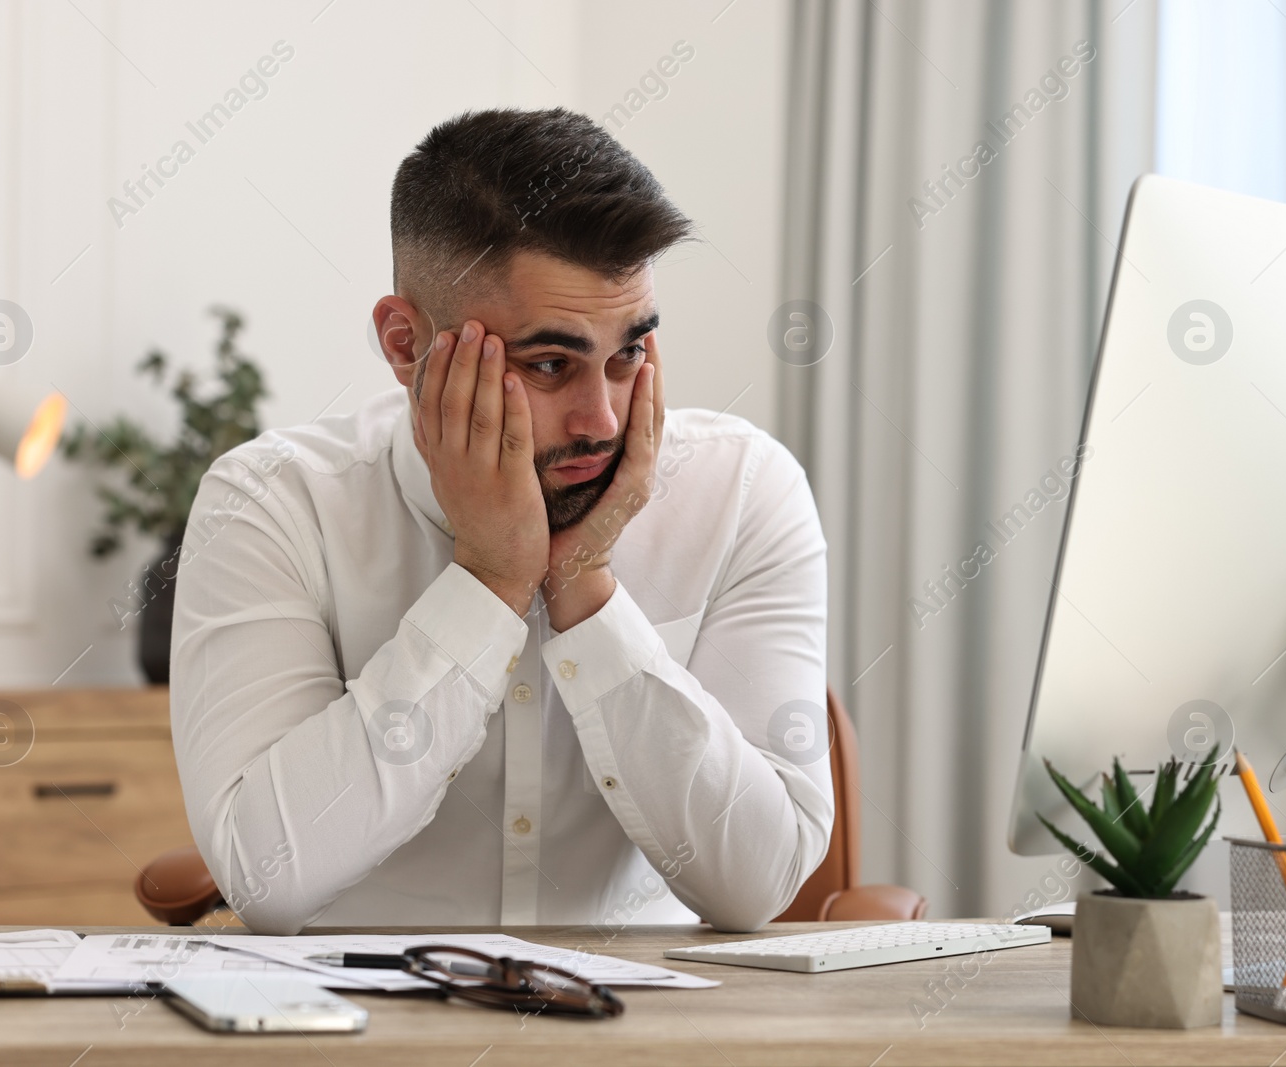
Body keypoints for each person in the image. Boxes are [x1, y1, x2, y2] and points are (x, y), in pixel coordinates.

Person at [170, 107, 832, 934]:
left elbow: (758, 883)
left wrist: (584, 587)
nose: (601, 418)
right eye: (550, 364)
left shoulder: (743, 490)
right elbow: (267, 877)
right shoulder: (272, 502)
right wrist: (487, 581)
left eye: (627, 354)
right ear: (407, 343)